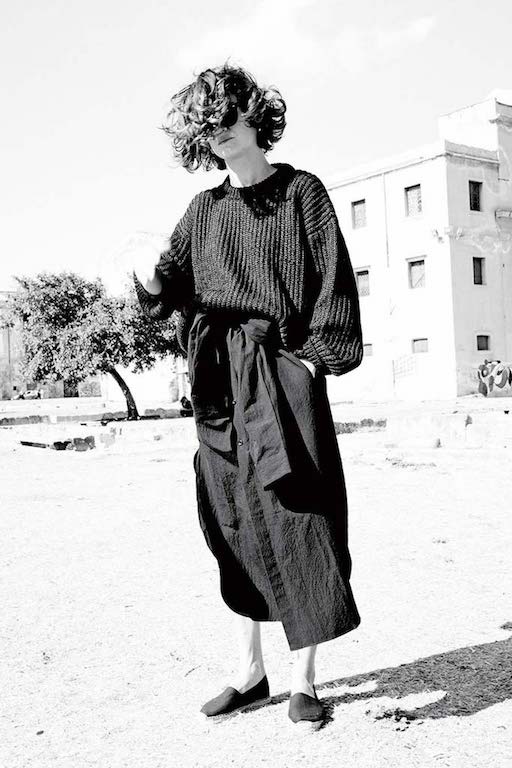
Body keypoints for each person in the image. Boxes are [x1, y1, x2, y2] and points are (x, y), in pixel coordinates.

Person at [133, 62, 363, 726]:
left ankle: (304, 680)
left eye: (227, 115)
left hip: (281, 375)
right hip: (218, 385)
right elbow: (168, 286)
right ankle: (250, 674)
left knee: (302, 516)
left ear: (253, 114)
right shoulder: (201, 211)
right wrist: (145, 276)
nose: (219, 130)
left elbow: (333, 284)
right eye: (206, 124)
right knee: (231, 520)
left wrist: (312, 363)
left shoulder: (302, 193)